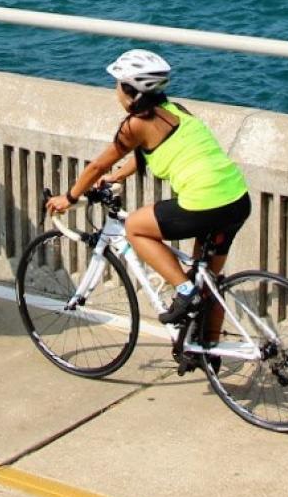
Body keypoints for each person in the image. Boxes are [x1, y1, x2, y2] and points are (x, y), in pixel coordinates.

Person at [45, 51, 252, 326]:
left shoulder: (135, 124)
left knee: (134, 227)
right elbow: (145, 154)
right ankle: (205, 351)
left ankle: (184, 291)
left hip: (204, 204)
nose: (115, 90)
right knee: (208, 284)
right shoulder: (175, 111)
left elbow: (96, 166)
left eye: (117, 84)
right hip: (236, 199)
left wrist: (69, 198)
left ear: (131, 91)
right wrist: (115, 177)